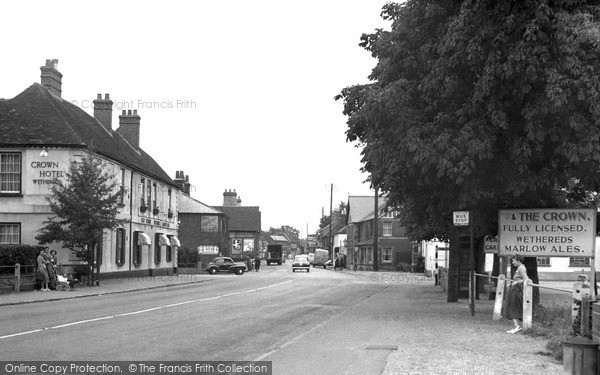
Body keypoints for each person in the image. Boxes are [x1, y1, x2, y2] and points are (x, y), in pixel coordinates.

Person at [505, 254, 529, 333]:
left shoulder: (521, 268)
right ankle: (517, 325)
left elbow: (526, 279)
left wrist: (517, 282)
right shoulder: (520, 268)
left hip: (516, 290)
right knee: (512, 306)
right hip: (515, 289)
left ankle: (517, 326)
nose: (512, 262)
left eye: (513, 261)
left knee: (512, 306)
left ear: (518, 261)